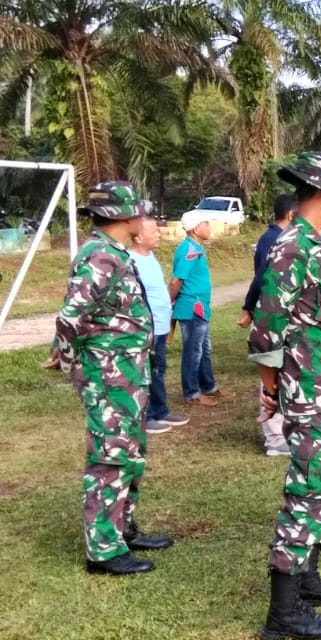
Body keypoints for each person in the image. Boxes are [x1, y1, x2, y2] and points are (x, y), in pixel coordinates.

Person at [249, 151, 321, 639]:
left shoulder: (317, 245)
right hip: (313, 396)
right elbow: (266, 328)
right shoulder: (292, 247)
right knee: (309, 491)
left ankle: (308, 578)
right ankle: (283, 613)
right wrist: (271, 386)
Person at [56, 181, 172, 576]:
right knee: (110, 457)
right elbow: (70, 317)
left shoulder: (115, 253)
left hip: (127, 374)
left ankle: (122, 529)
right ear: (125, 216)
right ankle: (103, 550)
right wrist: (73, 363)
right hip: (109, 377)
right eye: (140, 213)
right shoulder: (99, 256)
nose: (145, 219)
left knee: (130, 453)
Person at [240, 194, 296, 456]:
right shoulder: (274, 239)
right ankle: (274, 439)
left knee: (283, 372)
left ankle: (284, 430)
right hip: (271, 316)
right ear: (292, 215)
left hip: (280, 314)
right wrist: (249, 307)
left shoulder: (281, 237)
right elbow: (262, 278)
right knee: (270, 373)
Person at [130, 216, 189, 434]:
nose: (158, 235)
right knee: (145, 372)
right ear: (138, 237)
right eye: (153, 232)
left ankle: (161, 410)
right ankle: (146, 416)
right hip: (147, 326)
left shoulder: (150, 257)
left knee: (158, 369)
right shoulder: (130, 261)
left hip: (161, 325)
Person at [171, 210, 234, 407]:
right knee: (193, 351)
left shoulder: (195, 248)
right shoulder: (189, 250)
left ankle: (208, 387)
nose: (209, 227)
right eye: (206, 223)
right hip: (192, 307)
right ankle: (192, 393)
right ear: (196, 228)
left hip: (199, 307)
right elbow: (176, 281)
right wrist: (169, 304)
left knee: (203, 349)